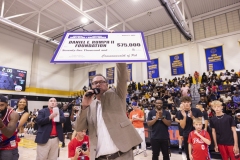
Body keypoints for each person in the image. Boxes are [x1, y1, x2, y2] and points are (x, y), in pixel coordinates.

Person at [75, 63, 142, 160]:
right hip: (99, 157)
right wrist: (84, 106)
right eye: (95, 83)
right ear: (92, 86)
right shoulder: (90, 105)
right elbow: (79, 127)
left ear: (107, 84)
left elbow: (122, 76)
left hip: (122, 155)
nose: (98, 84)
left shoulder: (117, 94)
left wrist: (119, 57)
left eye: (101, 82)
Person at [0, 95, 19, 159]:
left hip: (8, 146)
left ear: (6, 105)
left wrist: (1, 125)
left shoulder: (13, 114)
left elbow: (9, 134)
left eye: (1, 105)